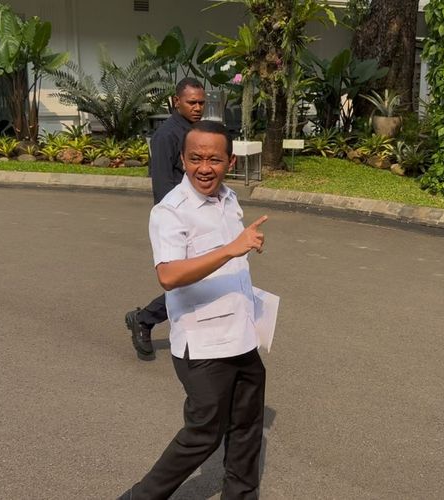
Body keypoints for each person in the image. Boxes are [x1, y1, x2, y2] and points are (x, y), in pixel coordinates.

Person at [117, 121, 268, 500]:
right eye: (195, 158)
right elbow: (168, 276)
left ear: (230, 162)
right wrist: (231, 249)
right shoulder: (172, 211)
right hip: (203, 346)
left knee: (247, 426)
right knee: (203, 434)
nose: (204, 167)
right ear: (182, 160)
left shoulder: (229, 199)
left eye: (214, 159)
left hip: (242, 337)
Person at [125, 77, 206, 360]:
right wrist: (179, 223)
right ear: (176, 101)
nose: (197, 107)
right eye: (192, 102)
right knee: (187, 279)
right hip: (178, 220)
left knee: (199, 277)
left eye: (201, 103)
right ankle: (144, 319)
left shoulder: (196, 131)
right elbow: (162, 187)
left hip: (199, 214)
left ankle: (146, 319)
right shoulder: (167, 136)